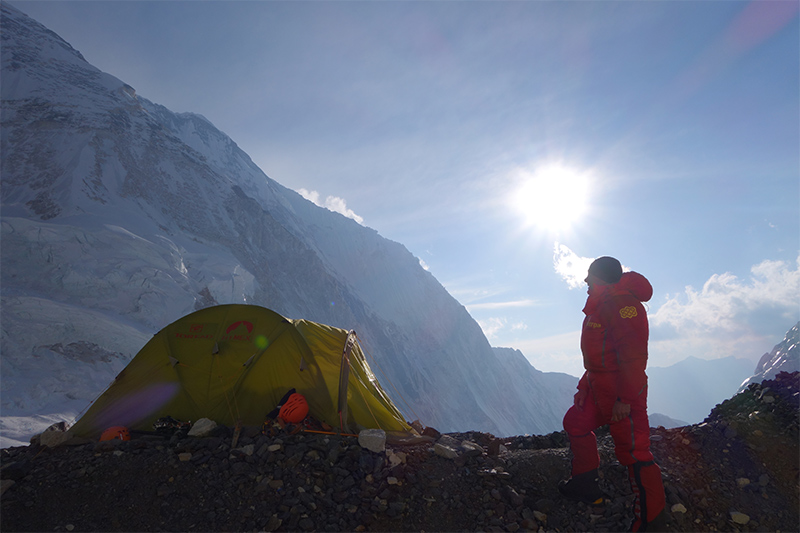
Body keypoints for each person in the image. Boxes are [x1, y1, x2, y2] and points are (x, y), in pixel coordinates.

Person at [559, 256, 667, 532]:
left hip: (622, 392)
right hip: (598, 387)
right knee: (576, 422)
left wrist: (625, 399)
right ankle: (584, 485)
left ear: (600, 280)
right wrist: (584, 387)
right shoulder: (601, 305)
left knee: (634, 452)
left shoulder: (623, 306)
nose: (585, 282)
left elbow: (633, 358)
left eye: (590, 278)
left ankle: (651, 522)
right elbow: (599, 357)